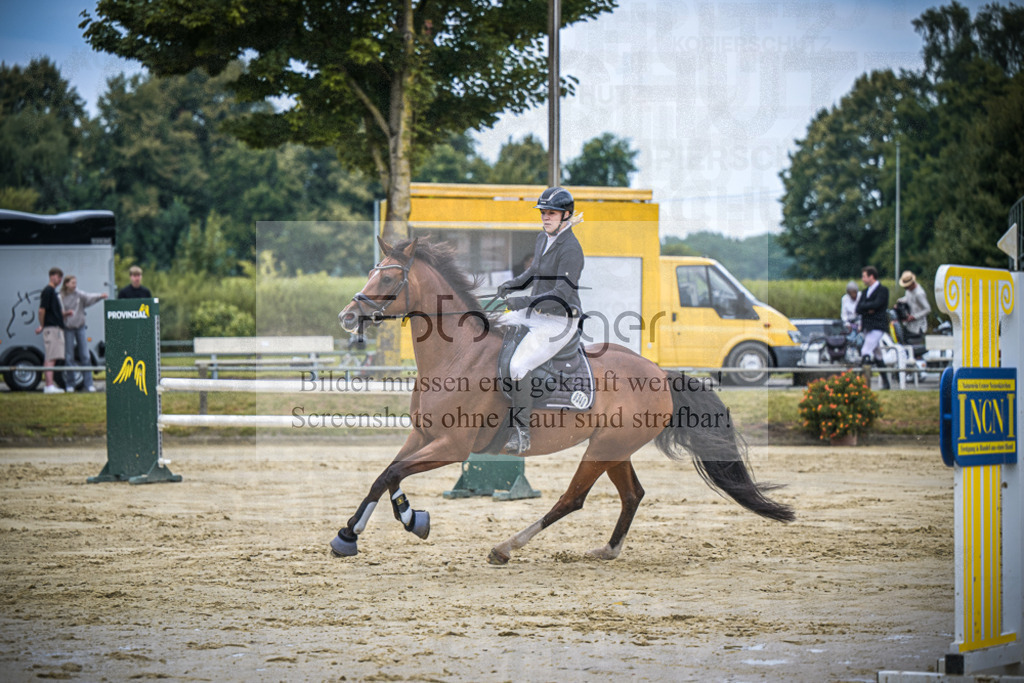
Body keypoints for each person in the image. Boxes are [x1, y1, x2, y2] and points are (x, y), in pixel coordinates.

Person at [496, 187, 585, 454]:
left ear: (566, 215)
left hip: (559, 322)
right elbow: (533, 271)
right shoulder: (542, 238)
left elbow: (560, 294)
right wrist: (511, 286)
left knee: (520, 366)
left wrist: (522, 301)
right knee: (491, 325)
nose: (546, 218)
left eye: (552, 213)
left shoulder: (571, 249)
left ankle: (522, 433)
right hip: (536, 313)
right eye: (543, 213)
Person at [60, 275, 109, 393]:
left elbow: (89, 297)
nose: (74, 285)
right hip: (68, 328)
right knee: (69, 357)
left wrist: (100, 296)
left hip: (80, 327)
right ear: (66, 284)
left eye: (75, 282)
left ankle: (89, 384)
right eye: (72, 283)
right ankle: (70, 384)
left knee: (85, 356)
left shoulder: (79, 295)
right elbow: (59, 311)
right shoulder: (61, 297)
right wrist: (65, 314)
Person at [35, 267, 70, 394]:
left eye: (61, 277)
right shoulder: (48, 291)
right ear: (52, 276)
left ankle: (50, 385)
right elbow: (41, 310)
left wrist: (64, 315)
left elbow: (52, 312)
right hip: (51, 329)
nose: (60, 279)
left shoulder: (53, 292)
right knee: (50, 357)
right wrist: (42, 325)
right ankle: (49, 386)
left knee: (53, 357)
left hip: (56, 328)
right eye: (58, 276)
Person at [855, 265, 890, 390]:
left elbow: (878, 305)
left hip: (877, 326)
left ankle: (862, 382)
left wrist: (869, 308)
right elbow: (858, 308)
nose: (863, 279)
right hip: (867, 326)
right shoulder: (865, 292)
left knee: (866, 351)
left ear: (871, 276)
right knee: (878, 355)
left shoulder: (882, 290)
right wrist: (869, 309)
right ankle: (886, 382)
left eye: (864, 276)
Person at [897, 270, 931, 336]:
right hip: (909, 326)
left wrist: (914, 317)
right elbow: (908, 298)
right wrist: (899, 301)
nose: (905, 288)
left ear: (912, 283)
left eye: (907, 286)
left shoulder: (919, 293)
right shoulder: (909, 290)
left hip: (918, 328)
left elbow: (927, 309)